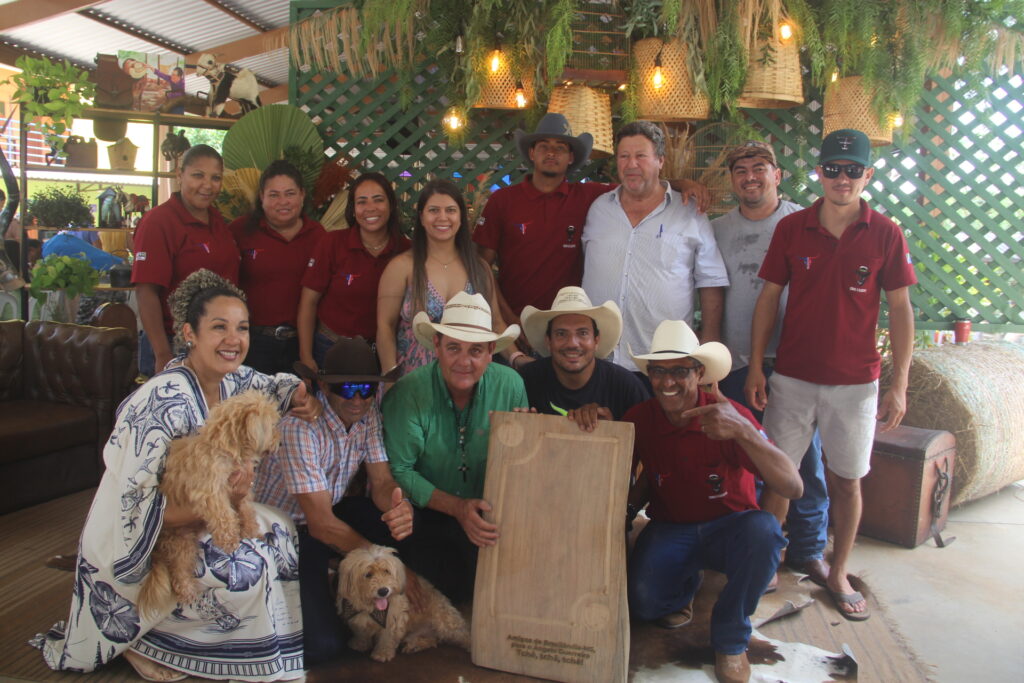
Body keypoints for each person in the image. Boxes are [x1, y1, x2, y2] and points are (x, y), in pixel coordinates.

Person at [33, 268, 320, 683]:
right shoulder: (159, 402)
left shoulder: (234, 380)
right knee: (245, 563)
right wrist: (219, 504)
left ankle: (242, 647)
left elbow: (276, 387)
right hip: (141, 538)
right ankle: (148, 641)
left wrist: (299, 396)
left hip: (202, 515)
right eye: (218, 327)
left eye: (241, 328)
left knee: (280, 530)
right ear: (189, 332)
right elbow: (136, 511)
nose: (233, 339)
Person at [746, 129, 917, 621]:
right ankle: (766, 563)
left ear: (868, 174)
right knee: (779, 478)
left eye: (853, 170)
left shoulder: (886, 232)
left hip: (856, 385)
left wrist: (898, 383)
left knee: (847, 481)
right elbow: (768, 298)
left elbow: (901, 309)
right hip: (794, 378)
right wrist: (758, 364)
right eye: (833, 169)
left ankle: (838, 569)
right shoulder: (792, 228)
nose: (842, 179)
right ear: (819, 173)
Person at [624, 320, 802, 683]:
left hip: (730, 525)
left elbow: (792, 485)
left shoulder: (728, 415)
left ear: (700, 373)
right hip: (671, 526)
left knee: (765, 533)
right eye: (658, 371)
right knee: (645, 604)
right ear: (649, 375)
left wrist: (743, 430)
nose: (668, 382)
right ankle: (689, 582)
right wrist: (627, 510)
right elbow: (647, 474)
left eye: (680, 371)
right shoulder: (640, 419)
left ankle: (731, 638)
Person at [474, 113, 710, 346]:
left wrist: (682, 185)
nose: (552, 152)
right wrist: (507, 319)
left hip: (570, 335)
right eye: (544, 146)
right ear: (532, 153)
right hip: (513, 330)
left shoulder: (592, 198)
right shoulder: (503, 201)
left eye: (560, 147)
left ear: (570, 157)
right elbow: (480, 265)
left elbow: (641, 185)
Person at [712, 141, 830, 587]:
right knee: (747, 458)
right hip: (738, 361)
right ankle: (759, 548)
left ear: (777, 175)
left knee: (805, 463)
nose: (750, 177)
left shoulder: (805, 223)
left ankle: (808, 549)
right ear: (732, 180)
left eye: (760, 168)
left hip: (797, 363)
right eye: (740, 170)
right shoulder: (718, 229)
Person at [254, 336, 414, 666]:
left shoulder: (367, 416)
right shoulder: (300, 426)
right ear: (325, 389)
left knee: (399, 527)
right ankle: (349, 589)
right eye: (347, 388)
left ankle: (372, 589)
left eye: (366, 389)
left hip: (327, 514)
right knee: (323, 646)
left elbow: (381, 481)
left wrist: (398, 507)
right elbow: (321, 524)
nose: (357, 399)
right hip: (287, 531)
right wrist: (379, 566)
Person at [382, 291, 526, 602]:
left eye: (476, 350)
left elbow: (520, 465)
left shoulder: (511, 384)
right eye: (453, 348)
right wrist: (457, 508)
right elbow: (401, 469)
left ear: (491, 351)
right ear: (436, 346)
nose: (464, 361)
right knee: (451, 588)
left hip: (490, 513)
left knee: (509, 586)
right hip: (428, 512)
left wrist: (524, 440)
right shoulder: (408, 392)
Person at [581, 121, 729, 379]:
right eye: (624, 156)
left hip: (662, 361)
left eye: (641, 156)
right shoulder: (598, 208)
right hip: (597, 358)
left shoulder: (690, 213)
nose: (631, 164)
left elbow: (711, 282)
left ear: (660, 160)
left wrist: (707, 347)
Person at [377, 179, 510, 377]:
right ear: (422, 217)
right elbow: (385, 326)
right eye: (433, 210)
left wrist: (516, 357)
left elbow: (496, 324)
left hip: (468, 381)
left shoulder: (478, 268)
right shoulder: (402, 267)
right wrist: (390, 376)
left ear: (461, 217)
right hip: (414, 382)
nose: (442, 217)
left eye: (450, 210)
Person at [132, 144, 240, 376]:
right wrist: (162, 354)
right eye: (198, 175)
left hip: (215, 343)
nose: (207, 185)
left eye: (215, 178)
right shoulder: (158, 222)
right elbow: (146, 292)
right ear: (179, 175)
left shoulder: (217, 220)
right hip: (174, 343)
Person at [298, 172, 409, 370]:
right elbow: (308, 302)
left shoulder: (407, 250)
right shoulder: (332, 243)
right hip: (331, 348)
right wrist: (306, 357)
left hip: (385, 353)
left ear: (391, 205)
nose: (370, 208)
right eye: (362, 202)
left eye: (378, 200)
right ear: (353, 208)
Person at [229, 160, 325, 375]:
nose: (283, 201)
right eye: (274, 195)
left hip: (301, 345)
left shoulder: (319, 236)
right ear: (261, 197)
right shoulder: (240, 231)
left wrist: (306, 354)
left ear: (302, 195)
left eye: (290, 193)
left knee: (297, 407)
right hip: (251, 344)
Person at [518, 285, 648, 428]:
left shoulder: (626, 387)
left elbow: (645, 445)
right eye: (561, 334)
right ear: (548, 341)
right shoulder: (524, 382)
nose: (572, 343)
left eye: (583, 333)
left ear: (596, 340)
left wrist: (610, 429)